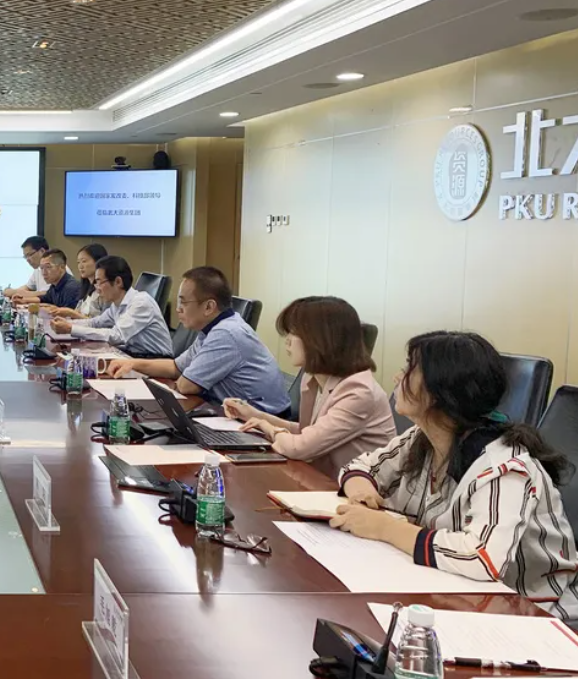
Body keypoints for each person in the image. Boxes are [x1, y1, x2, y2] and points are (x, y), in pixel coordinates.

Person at [332, 331, 578, 621]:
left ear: (441, 391)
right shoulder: (421, 438)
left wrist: (385, 528)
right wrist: (362, 491)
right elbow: (361, 467)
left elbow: (482, 558)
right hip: (454, 590)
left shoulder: (505, 466)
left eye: (410, 369)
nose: (398, 377)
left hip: (532, 612)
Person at [222, 296, 395, 475]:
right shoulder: (314, 377)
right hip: (324, 479)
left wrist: (269, 428)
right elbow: (307, 432)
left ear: (322, 339)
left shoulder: (358, 391)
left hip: (358, 489)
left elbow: (300, 447)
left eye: (294, 333)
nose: (287, 341)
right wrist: (255, 415)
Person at [106, 266, 289, 414]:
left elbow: (186, 385)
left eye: (183, 302)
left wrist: (184, 379)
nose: (178, 309)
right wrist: (132, 364)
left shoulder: (226, 333)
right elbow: (176, 367)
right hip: (231, 411)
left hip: (263, 422)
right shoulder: (212, 329)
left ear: (209, 307)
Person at [50, 255, 171, 358]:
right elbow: (95, 323)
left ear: (118, 282)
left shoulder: (141, 303)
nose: (97, 289)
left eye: (100, 282)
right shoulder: (117, 305)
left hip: (156, 361)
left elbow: (116, 336)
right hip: (134, 355)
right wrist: (68, 324)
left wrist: (71, 329)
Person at [47, 244, 108, 320]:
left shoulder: (105, 291)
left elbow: (102, 323)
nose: (80, 266)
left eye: (84, 261)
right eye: (78, 262)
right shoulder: (85, 289)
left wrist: (70, 313)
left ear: (98, 261)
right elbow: (77, 313)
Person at [3, 236, 50, 300]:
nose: (27, 260)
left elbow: (47, 294)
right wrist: (13, 291)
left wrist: (16, 292)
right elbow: (28, 287)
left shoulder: (55, 268)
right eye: (25, 257)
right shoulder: (38, 269)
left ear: (42, 251)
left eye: (30, 255)